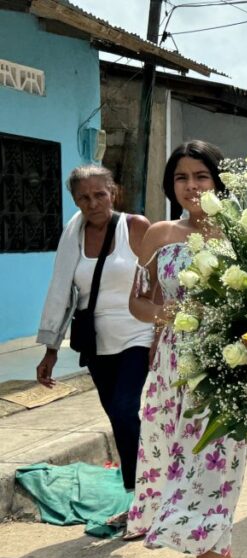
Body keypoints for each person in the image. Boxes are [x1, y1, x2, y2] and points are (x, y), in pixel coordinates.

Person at [125, 141, 247, 558]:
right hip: (172, 376)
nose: (193, 186)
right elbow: (138, 301)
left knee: (212, 488)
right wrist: (167, 315)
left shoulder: (243, 233)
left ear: (218, 181)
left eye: (202, 176)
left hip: (225, 378)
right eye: (182, 177)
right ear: (170, 184)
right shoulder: (159, 234)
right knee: (183, 482)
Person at [36, 165, 152, 498]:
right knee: (117, 419)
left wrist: (163, 330)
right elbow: (60, 291)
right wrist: (51, 349)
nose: (93, 203)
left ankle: (144, 493)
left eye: (100, 194)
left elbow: (158, 282)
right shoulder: (73, 236)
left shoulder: (135, 227)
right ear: (75, 200)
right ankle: (139, 491)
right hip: (96, 341)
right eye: (83, 197)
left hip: (137, 333)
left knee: (124, 409)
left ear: (113, 193)